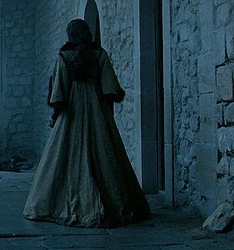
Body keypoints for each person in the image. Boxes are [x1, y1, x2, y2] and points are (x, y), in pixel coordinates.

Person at [23, 19, 152, 228]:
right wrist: (105, 114)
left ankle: (61, 203)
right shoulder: (99, 55)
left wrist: (55, 115)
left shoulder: (64, 57)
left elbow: (59, 92)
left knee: (63, 155)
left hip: (72, 112)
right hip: (96, 108)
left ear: (70, 35)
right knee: (105, 154)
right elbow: (110, 88)